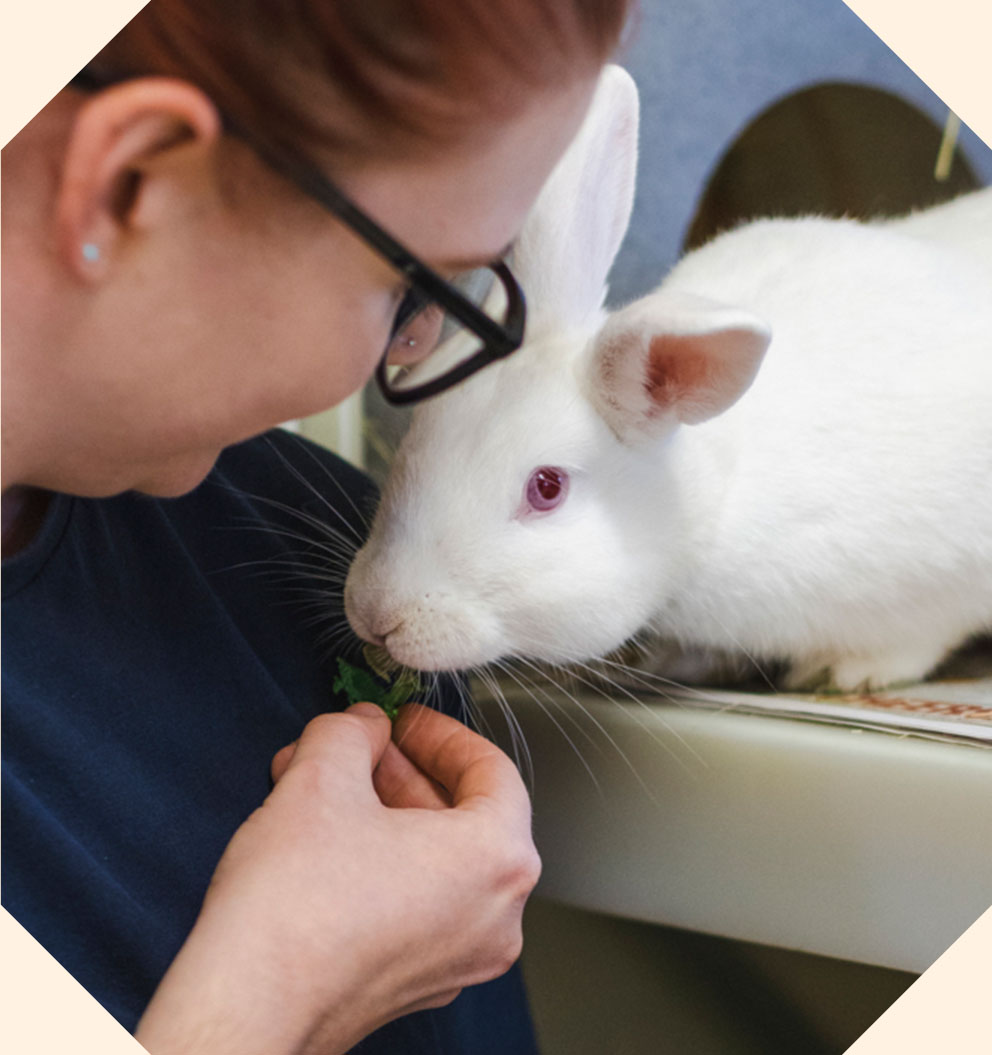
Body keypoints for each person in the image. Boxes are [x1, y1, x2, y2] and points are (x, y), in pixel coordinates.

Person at [1, 1, 633, 1052]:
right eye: (412, 284)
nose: (407, 347)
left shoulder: (311, 536)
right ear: (130, 183)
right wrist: (278, 993)